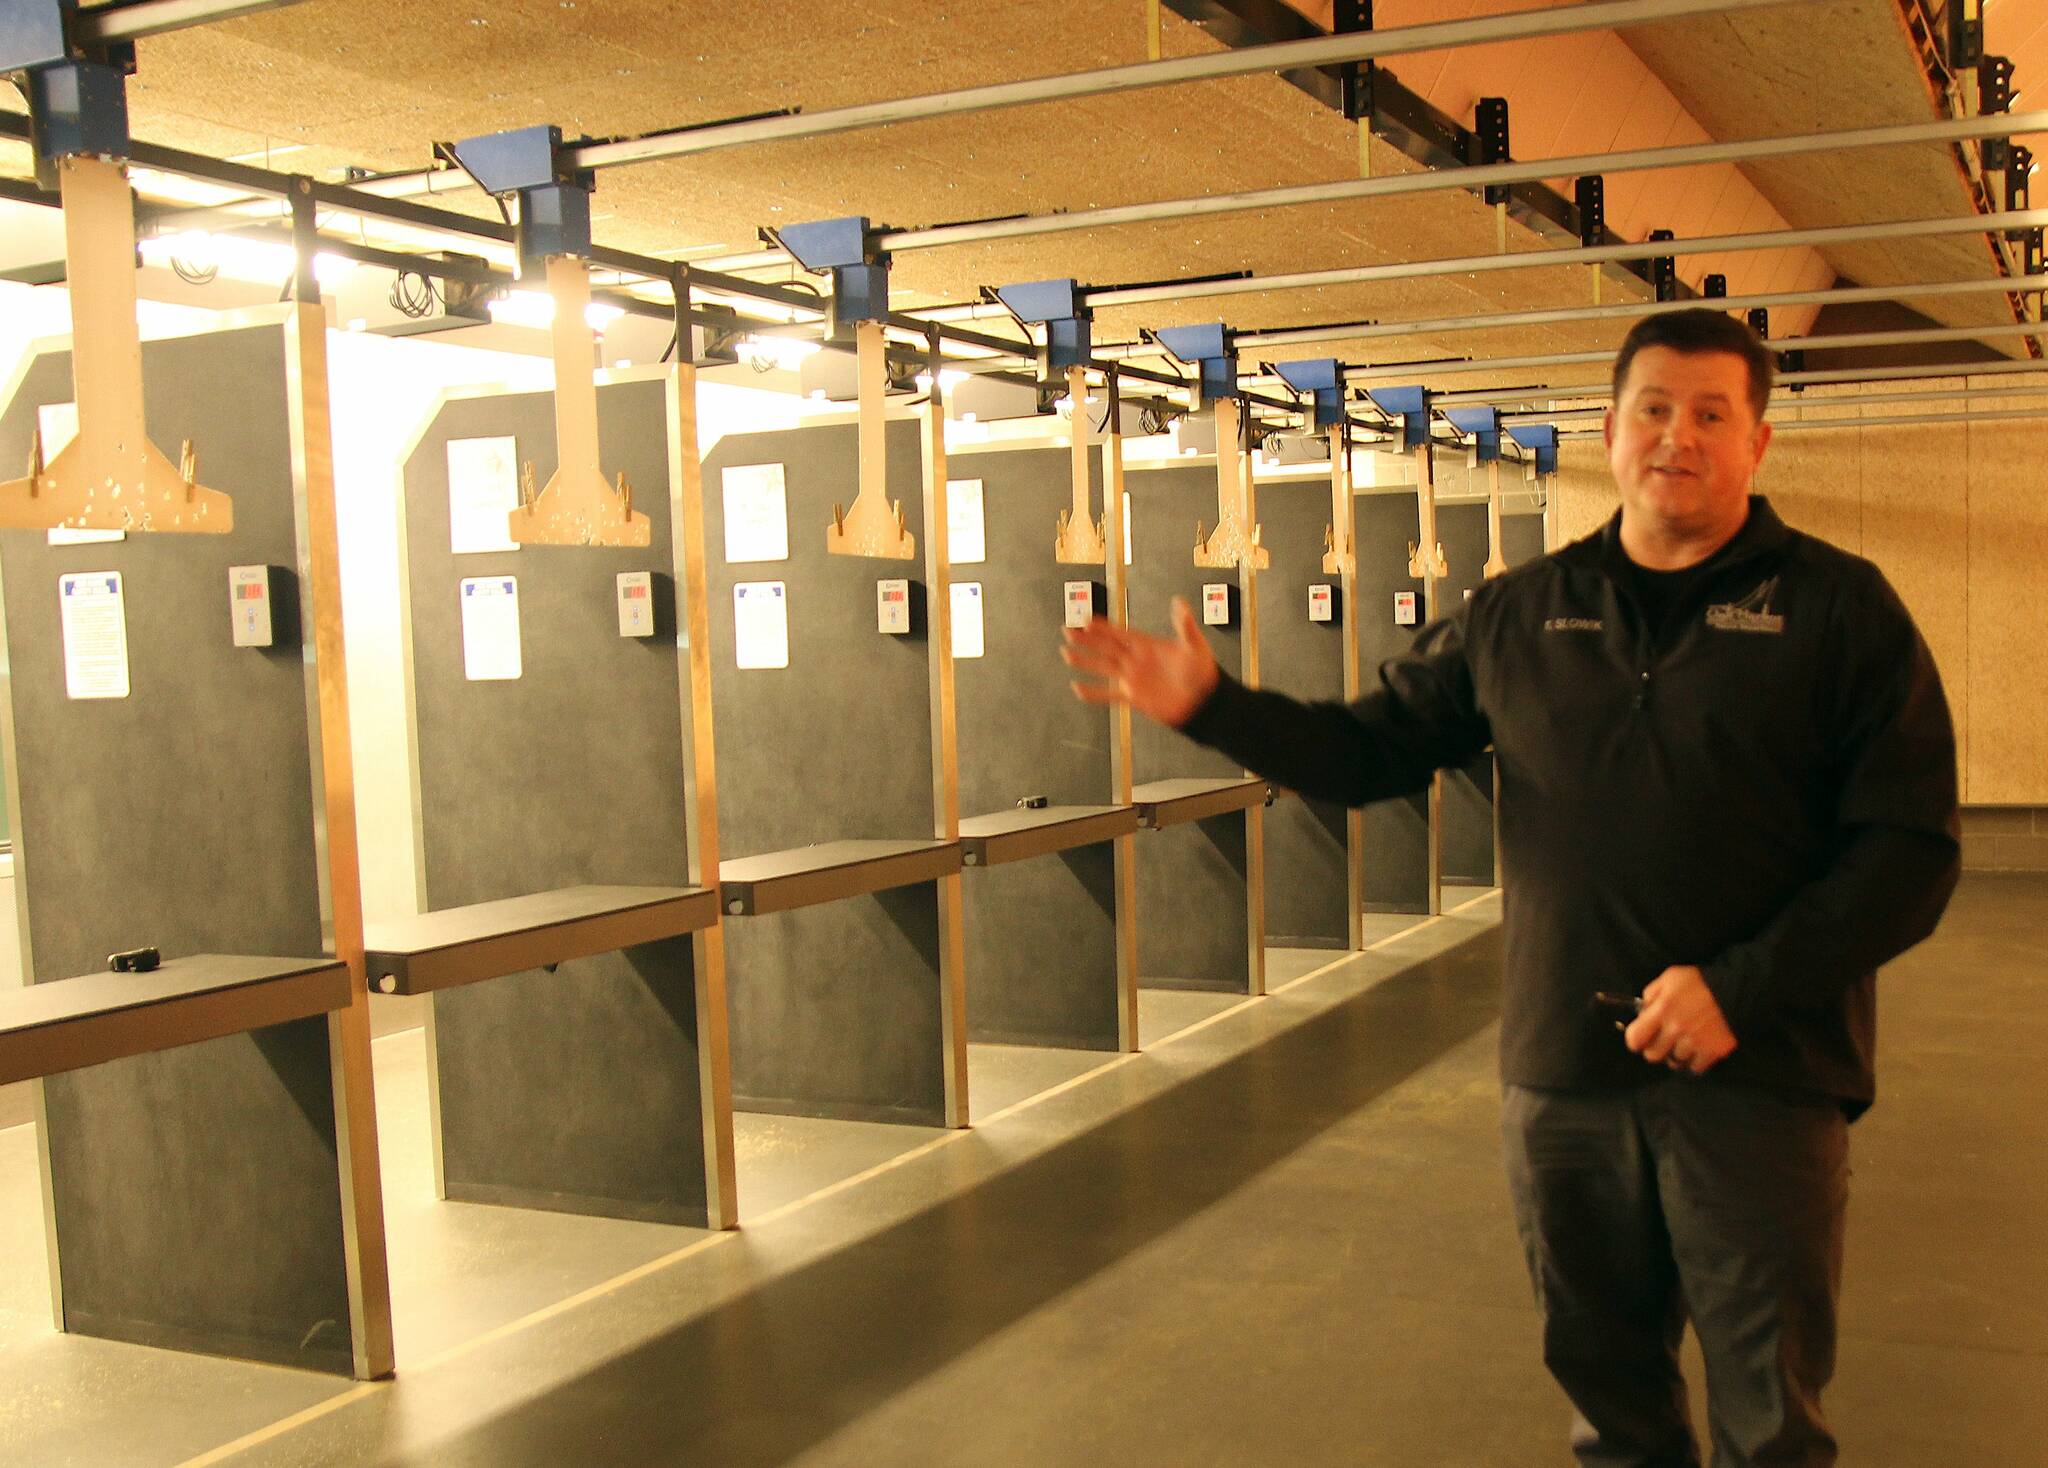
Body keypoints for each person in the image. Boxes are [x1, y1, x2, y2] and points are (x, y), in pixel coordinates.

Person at [1061, 308, 1960, 1468]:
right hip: (1563, 1081)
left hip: (1760, 1078)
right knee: (1608, 1399)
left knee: (1768, 1416)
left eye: (1708, 414)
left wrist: (1738, 989)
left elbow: (1907, 853)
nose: (1674, 437)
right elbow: (1370, 751)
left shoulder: (1839, 612)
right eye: (1651, 409)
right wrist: (1213, 705)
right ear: (1609, 426)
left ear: (1755, 445)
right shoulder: (1520, 610)